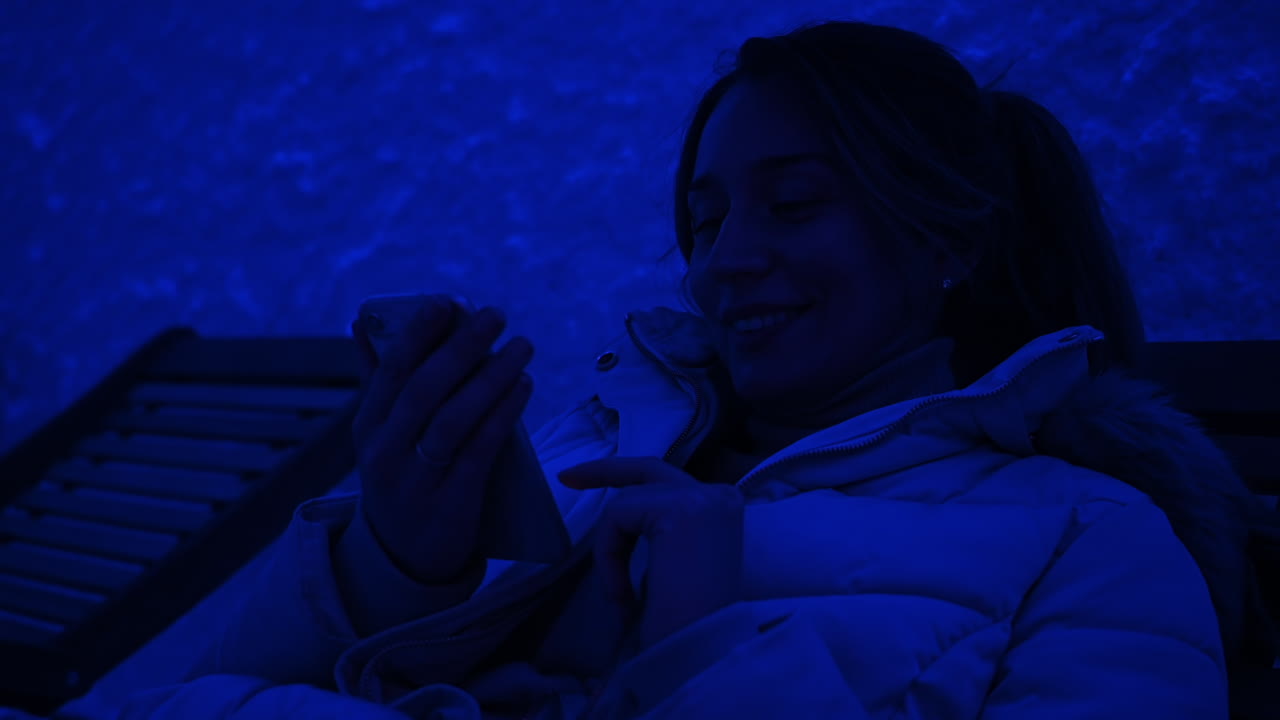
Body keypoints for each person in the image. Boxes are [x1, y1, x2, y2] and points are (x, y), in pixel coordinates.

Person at [121, 19, 1269, 720]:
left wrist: (700, 648)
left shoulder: (1090, 535)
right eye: (704, 220)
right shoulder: (592, 446)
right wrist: (389, 564)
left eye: (793, 204)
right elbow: (165, 698)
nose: (729, 262)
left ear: (949, 242)